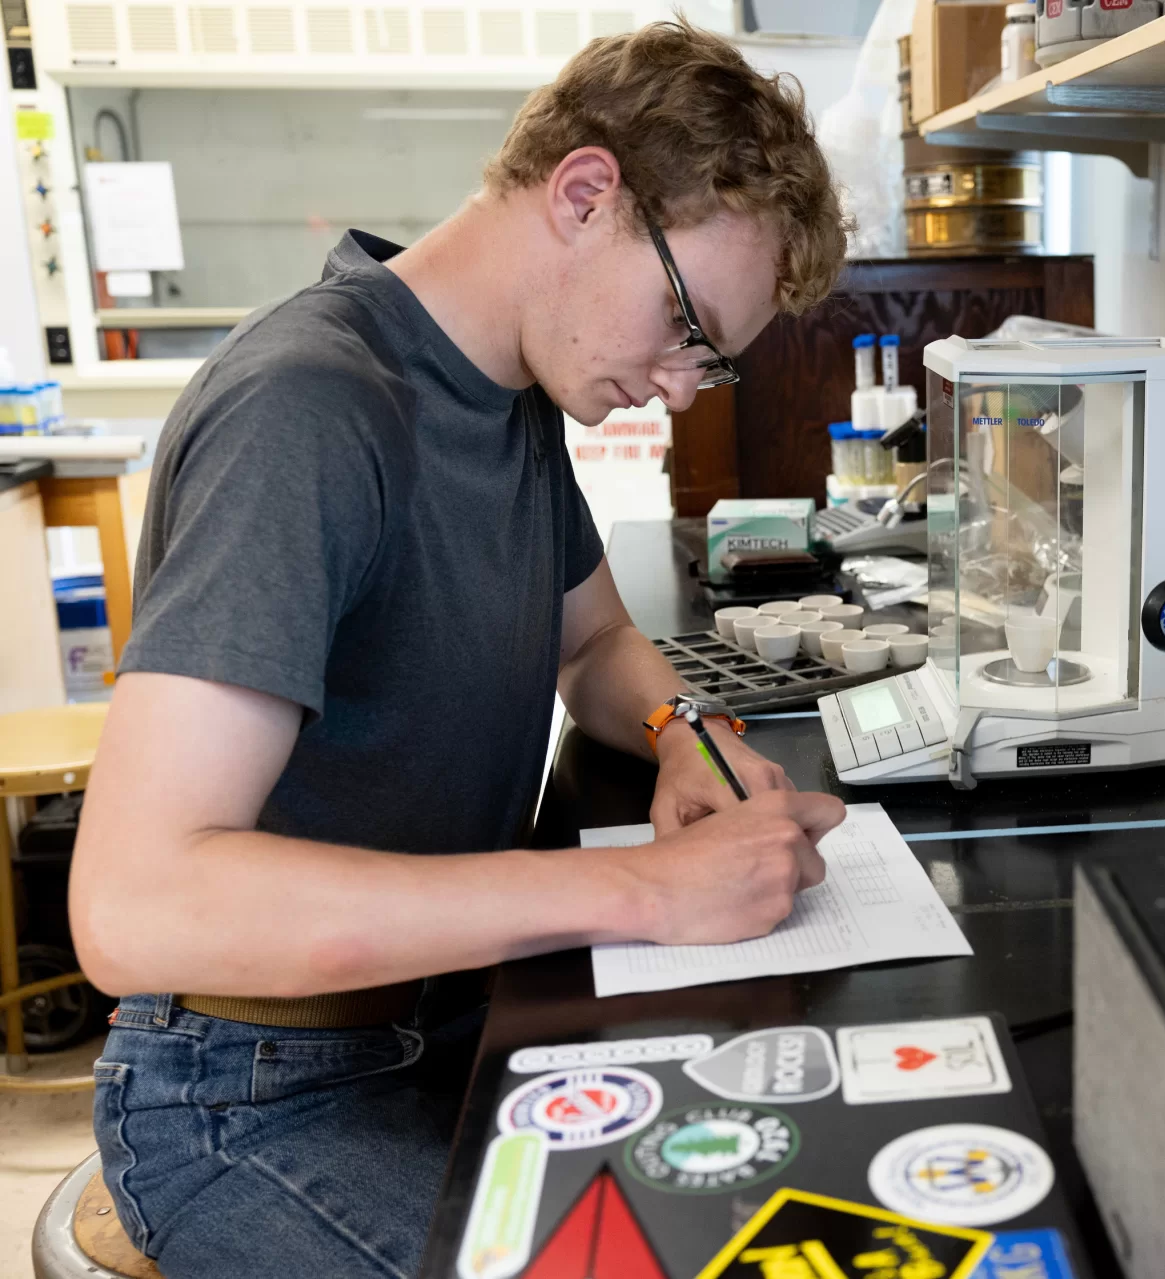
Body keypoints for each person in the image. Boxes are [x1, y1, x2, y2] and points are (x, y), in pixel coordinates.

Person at [69, 23, 849, 1278]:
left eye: (712, 361)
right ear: (586, 195)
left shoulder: (507, 397)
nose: (684, 386)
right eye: (684, 325)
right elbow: (135, 904)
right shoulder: (312, 410)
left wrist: (680, 730)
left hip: (445, 1018)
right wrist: (644, 893)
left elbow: (592, 638)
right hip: (247, 1093)